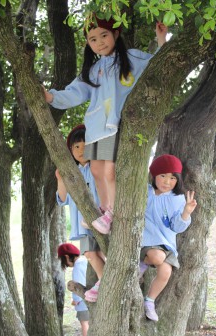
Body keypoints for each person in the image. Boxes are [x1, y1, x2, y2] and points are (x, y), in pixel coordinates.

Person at [44, 16, 168, 234]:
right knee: (96, 169)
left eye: (104, 35)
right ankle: (105, 210)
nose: (100, 42)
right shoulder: (92, 70)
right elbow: (74, 93)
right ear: (88, 44)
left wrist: (161, 40)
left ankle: (112, 213)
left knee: (109, 170)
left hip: (114, 123)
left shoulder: (132, 58)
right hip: (94, 127)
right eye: (93, 39)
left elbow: (158, 67)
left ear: (115, 34)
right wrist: (51, 97)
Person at [139, 154, 197, 322]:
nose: (167, 181)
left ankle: (149, 301)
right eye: (162, 176)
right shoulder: (145, 192)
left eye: (172, 178)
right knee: (157, 257)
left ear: (177, 180)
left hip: (167, 243)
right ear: (154, 175)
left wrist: (186, 212)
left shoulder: (178, 199)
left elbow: (177, 227)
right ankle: (142, 264)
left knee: (165, 271)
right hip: (148, 239)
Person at [56, 124, 105, 302]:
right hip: (84, 224)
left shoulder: (99, 167)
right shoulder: (73, 173)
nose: (81, 150)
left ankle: (104, 281)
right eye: (77, 146)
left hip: (102, 220)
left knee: (103, 252)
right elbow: (62, 199)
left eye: (86, 145)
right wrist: (60, 180)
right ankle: (103, 281)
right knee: (90, 253)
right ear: (70, 150)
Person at [57, 243, 89, 336]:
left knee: (85, 324)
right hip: (91, 297)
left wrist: (76, 299)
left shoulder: (78, 266)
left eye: (63, 261)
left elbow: (78, 285)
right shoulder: (85, 260)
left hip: (83, 300)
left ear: (67, 256)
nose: (66, 265)